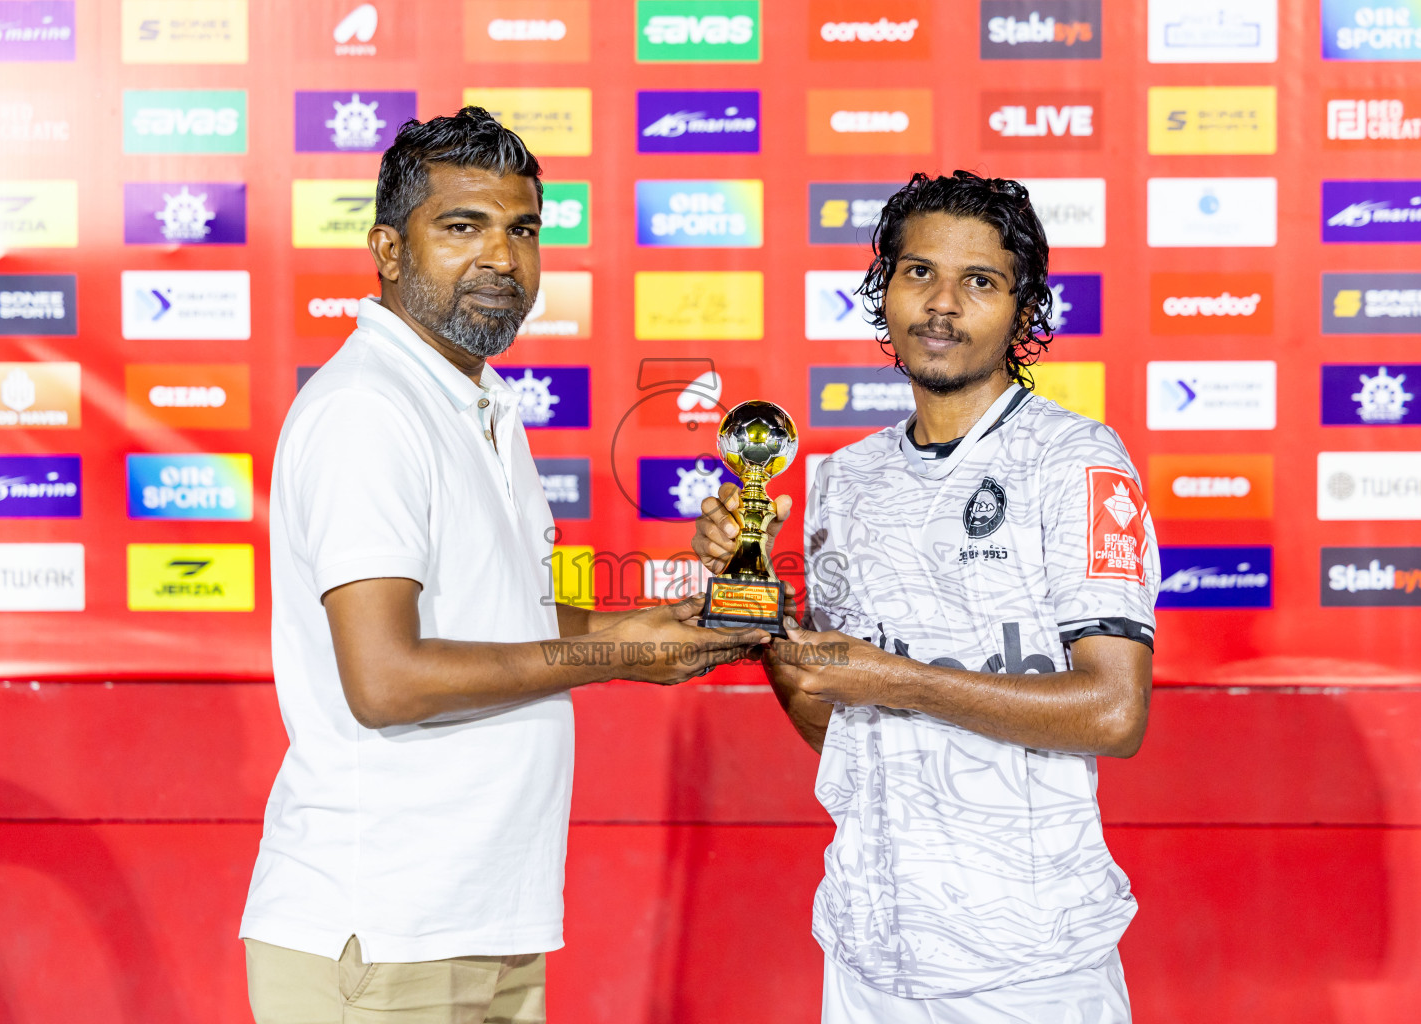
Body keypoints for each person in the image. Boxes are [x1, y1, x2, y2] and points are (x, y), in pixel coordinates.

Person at [240, 108, 771, 1024]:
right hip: (384, 939)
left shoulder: (478, 404)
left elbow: (507, 619)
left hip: (485, 925)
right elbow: (387, 679)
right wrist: (617, 660)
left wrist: (649, 622)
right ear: (388, 249)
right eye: (461, 227)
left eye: (523, 230)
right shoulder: (370, 408)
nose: (502, 258)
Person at [695, 171, 1160, 1022]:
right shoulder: (844, 480)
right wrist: (756, 603)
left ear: (1024, 312)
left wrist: (896, 679)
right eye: (917, 274)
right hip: (867, 953)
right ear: (884, 293)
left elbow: (1112, 712)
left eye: (978, 281)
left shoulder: (1076, 462)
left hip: (1028, 965)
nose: (941, 303)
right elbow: (837, 725)